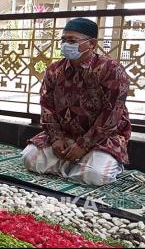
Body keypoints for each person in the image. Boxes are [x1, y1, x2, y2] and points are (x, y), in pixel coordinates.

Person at [22, 18, 131, 186]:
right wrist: (57, 138)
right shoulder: (54, 69)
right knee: (29, 157)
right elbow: (47, 107)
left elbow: (112, 115)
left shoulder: (111, 70)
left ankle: (88, 163)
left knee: (96, 175)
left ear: (92, 44)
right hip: (65, 135)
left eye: (72, 41)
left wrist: (83, 145)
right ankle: (74, 165)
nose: (66, 44)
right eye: (64, 40)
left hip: (100, 138)